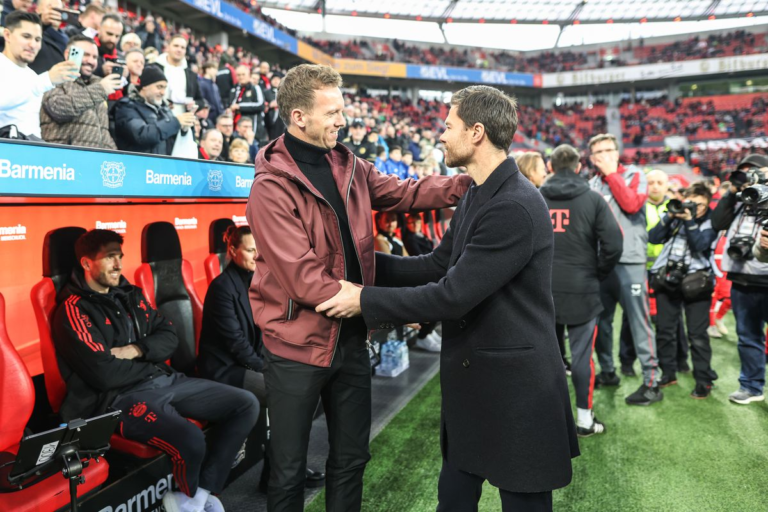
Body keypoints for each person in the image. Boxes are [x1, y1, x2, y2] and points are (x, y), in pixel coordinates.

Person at [317, 85, 579, 512]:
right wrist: (355, 259)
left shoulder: (514, 204)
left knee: (523, 503)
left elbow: (452, 295)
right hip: (478, 379)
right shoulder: (480, 191)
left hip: (517, 387)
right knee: (454, 497)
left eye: (448, 126)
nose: (440, 135)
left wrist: (363, 300)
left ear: (476, 133)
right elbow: (437, 265)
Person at [245, 64, 471, 512]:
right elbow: (305, 280)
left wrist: (465, 183)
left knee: (351, 459)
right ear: (298, 117)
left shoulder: (349, 163)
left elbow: (405, 192)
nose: (342, 120)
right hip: (295, 348)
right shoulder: (269, 189)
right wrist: (378, 303)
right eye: (332, 112)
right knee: (287, 471)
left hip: (350, 340)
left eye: (342, 110)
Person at [52, 229, 259, 512]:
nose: (118, 265)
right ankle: (195, 499)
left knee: (246, 404)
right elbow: (104, 374)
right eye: (110, 257)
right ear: (87, 263)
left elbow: (169, 336)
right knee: (191, 439)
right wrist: (149, 359)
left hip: (165, 380)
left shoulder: (131, 295)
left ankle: (194, 498)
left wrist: (136, 351)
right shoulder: (73, 310)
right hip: (120, 399)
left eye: (120, 257)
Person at [196, 226, 326, 494]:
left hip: (252, 362)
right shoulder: (221, 288)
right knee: (290, 395)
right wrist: (270, 369)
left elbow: (271, 329)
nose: (257, 256)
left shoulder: (261, 280)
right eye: (250, 250)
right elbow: (237, 345)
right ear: (232, 251)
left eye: (259, 249)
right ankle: (281, 474)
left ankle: (277, 471)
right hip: (224, 370)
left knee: (305, 390)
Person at [540, 144, 623, 437]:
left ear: (550, 167)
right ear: (578, 167)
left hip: (542, 290)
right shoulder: (593, 198)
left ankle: (544, 419)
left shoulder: (536, 197)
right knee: (582, 357)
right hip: (582, 288)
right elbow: (614, 245)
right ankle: (584, 420)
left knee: (543, 357)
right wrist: (595, 272)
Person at [589, 133, 662, 406]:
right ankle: (608, 371)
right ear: (591, 157)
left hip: (630, 261)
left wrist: (611, 174)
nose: (604, 155)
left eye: (608, 150)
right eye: (598, 152)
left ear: (617, 152)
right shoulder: (592, 183)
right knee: (602, 322)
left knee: (640, 322)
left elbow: (631, 203)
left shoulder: (635, 175)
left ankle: (652, 383)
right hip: (601, 263)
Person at [648, 182, 719, 398]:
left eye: (700, 205)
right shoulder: (676, 215)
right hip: (668, 279)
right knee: (665, 331)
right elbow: (653, 237)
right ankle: (668, 373)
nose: (694, 208)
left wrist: (689, 221)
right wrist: (670, 216)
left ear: (707, 205)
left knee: (697, 336)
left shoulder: (711, 221)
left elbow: (699, 244)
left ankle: (703, 381)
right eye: (691, 202)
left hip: (698, 283)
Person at [619, 169, 691, 376]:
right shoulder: (635, 207)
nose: (656, 186)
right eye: (651, 182)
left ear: (668, 184)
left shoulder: (675, 207)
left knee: (673, 315)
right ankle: (627, 360)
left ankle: (680, 359)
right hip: (640, 269)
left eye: (660, 182)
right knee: (631, 315)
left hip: (668, 271)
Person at [711, 154, 768, 405]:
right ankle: (752, 387)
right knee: (747, 336)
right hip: (741, 278)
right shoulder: (739, 201)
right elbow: (717, 223)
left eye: (752, 171)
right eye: (742, 172)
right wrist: (732, 191)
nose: (747, 176)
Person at [0, 11, 78, 138]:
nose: (33, 45)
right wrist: (47, 79)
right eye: (26, 36)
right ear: (7, 35)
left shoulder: (33, 76)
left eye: (37, 39)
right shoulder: (40, 81)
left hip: (31, 147)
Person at [41, 35, 120, 149]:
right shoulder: (54, 78)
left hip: (93, 160)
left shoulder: (98, 84)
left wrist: (114, 156)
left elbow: (103, 131)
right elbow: (58, 109)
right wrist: (100, 89)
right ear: (68, 54)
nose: (91, 61)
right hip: (63, 161)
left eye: (94, 57)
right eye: (86, 55)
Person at [114, 66, 195, 155]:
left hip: (160, 166)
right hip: (136, 166)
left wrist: (183, 129)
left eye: (164, 88)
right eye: (159, 87)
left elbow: (171, 140)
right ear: (145, 86)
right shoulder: (126, 107)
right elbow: (142, 135)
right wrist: (175, 122)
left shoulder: (164, 109)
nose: (163, 92)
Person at [156, 34, 202, 113]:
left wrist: (194, 104)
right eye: (176, 46)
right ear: (168, 47)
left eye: (182, 47)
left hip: (185, 120)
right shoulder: (155, 68)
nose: (179, 49)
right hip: (158, 117)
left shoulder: (191, 75)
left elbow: (200, 100)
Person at [29, 0, 68, 74]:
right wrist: (41, 21)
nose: (54, 12)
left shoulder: (67, 37)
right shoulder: (31, 33)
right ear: (38, 10)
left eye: (58, 9)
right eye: (49, 8)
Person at [228, 65, 264, 130]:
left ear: (249, 75)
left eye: (243, 74)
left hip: (251, 125)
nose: (241, 77)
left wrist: (239, 106)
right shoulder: (234, 89)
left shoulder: (255, 88)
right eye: (238, 75)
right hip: (235, 124)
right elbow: (231, 104)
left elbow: (261, 105)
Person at [94, 13, 123, 78]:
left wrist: (127, 76)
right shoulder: (85, 47)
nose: (113, 40)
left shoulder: (121, 57)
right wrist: (100, 71)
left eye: (117, 36)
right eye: (109, 34)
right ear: (99, 29)